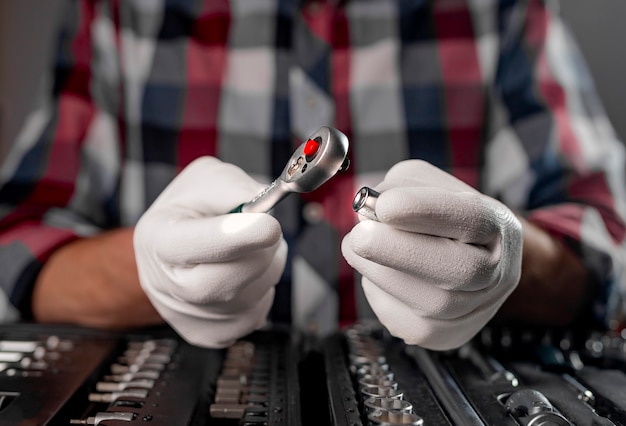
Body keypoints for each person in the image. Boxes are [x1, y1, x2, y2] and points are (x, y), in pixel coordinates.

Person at [0, 0, 625, 351]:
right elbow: (15, 249)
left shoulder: (499, 11)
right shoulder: (119, 13)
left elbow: (608, 247)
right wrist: (147, 269)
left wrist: (506, 256)